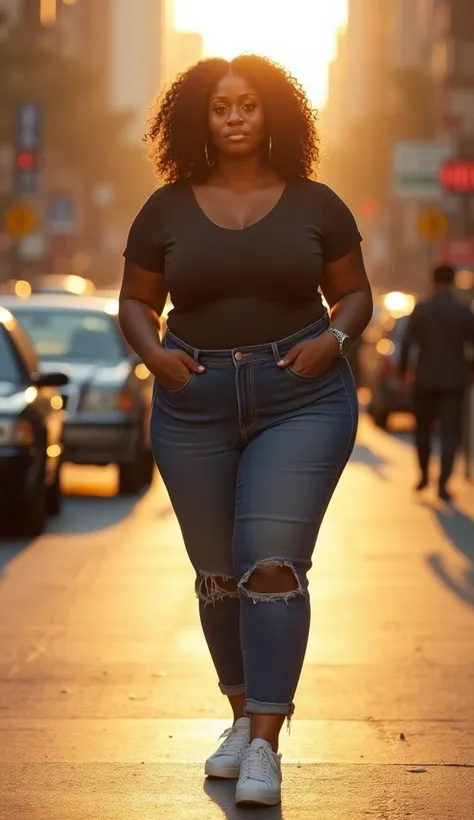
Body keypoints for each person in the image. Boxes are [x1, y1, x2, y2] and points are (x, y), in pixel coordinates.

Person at [119, 55, 372, 809]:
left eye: (249, 105)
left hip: (300, 394)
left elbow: (354, 292)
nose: (234, 117)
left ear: (273, 116)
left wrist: (334, 340)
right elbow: (135, 303)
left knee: (269, 565)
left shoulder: (316, 203)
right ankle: (239, 716)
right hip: (191, 398)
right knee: (219, 576)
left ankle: (266, 740)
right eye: (221, 107)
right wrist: (156, 356)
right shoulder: (164, 209)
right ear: (200, 118)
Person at [400, 263, 474, 503]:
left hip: (425, 379)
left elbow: (407, 344)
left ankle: (423, 474)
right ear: (453, 281)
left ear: (432, 280)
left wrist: (404, 373)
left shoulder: (422, 310)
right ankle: (443, 482)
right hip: (454, 380)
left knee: (423, 429)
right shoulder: (462, 310)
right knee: (450, 432)